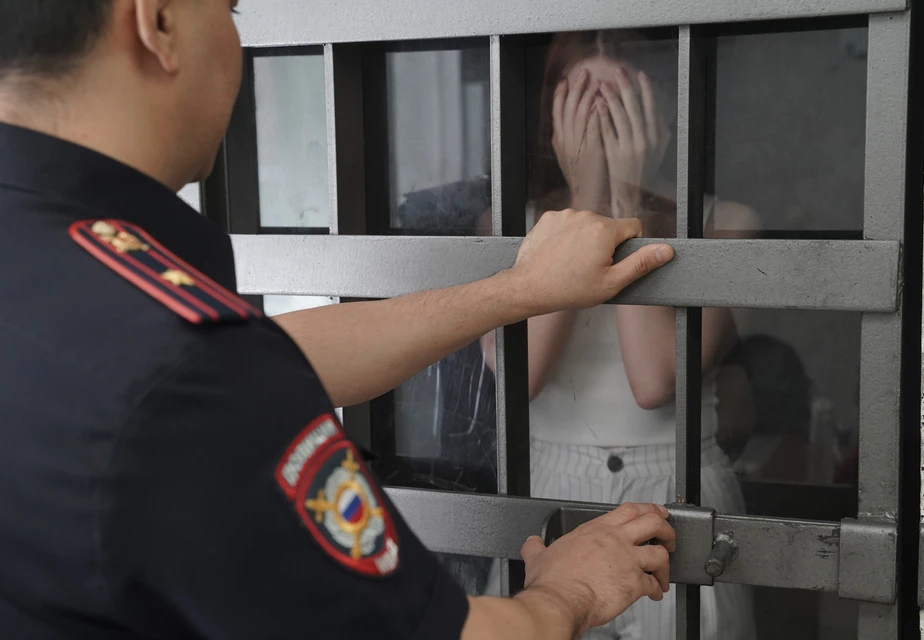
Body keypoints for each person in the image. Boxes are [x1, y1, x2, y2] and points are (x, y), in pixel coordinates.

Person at [0, 2, 682, 639]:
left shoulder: (72, 282)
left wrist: (518, 290)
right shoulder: (186, 368)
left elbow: (272, 357)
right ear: (158, 22)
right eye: (228, 9)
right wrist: (567, 591)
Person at [483, 31, 758, 639]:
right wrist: (586, 199)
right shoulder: (507, 224)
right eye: (583, 100)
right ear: (552, 118)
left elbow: (654, 380)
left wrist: (625, 201)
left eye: (621, 100)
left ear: (658, 110)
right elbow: (519, 377)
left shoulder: (724, 222)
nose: (602, 121)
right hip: (547, 485)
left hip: (676, 484)